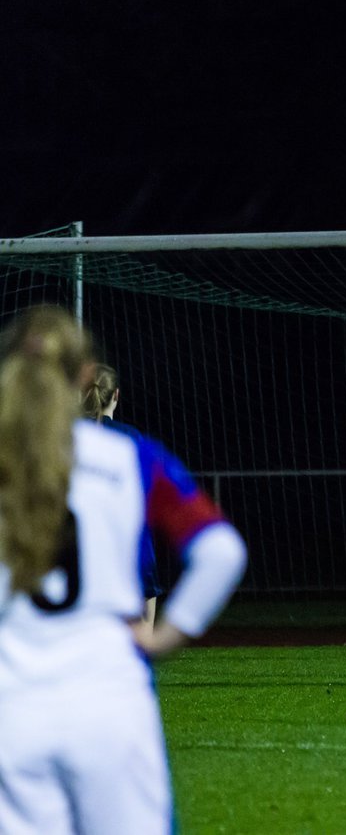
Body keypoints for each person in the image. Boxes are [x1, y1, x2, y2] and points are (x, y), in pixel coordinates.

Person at [0, 305, 247, 834]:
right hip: (109, 703)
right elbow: (221, 550)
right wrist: (165, 637)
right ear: (86, 376)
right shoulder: (128, 456)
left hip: (11, 710)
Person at [82, 362, 163, 630]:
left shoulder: (63, 438)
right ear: (116, 394)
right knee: (141, 636)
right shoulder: (131, 438)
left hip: (78, 547)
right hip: (128, 545)